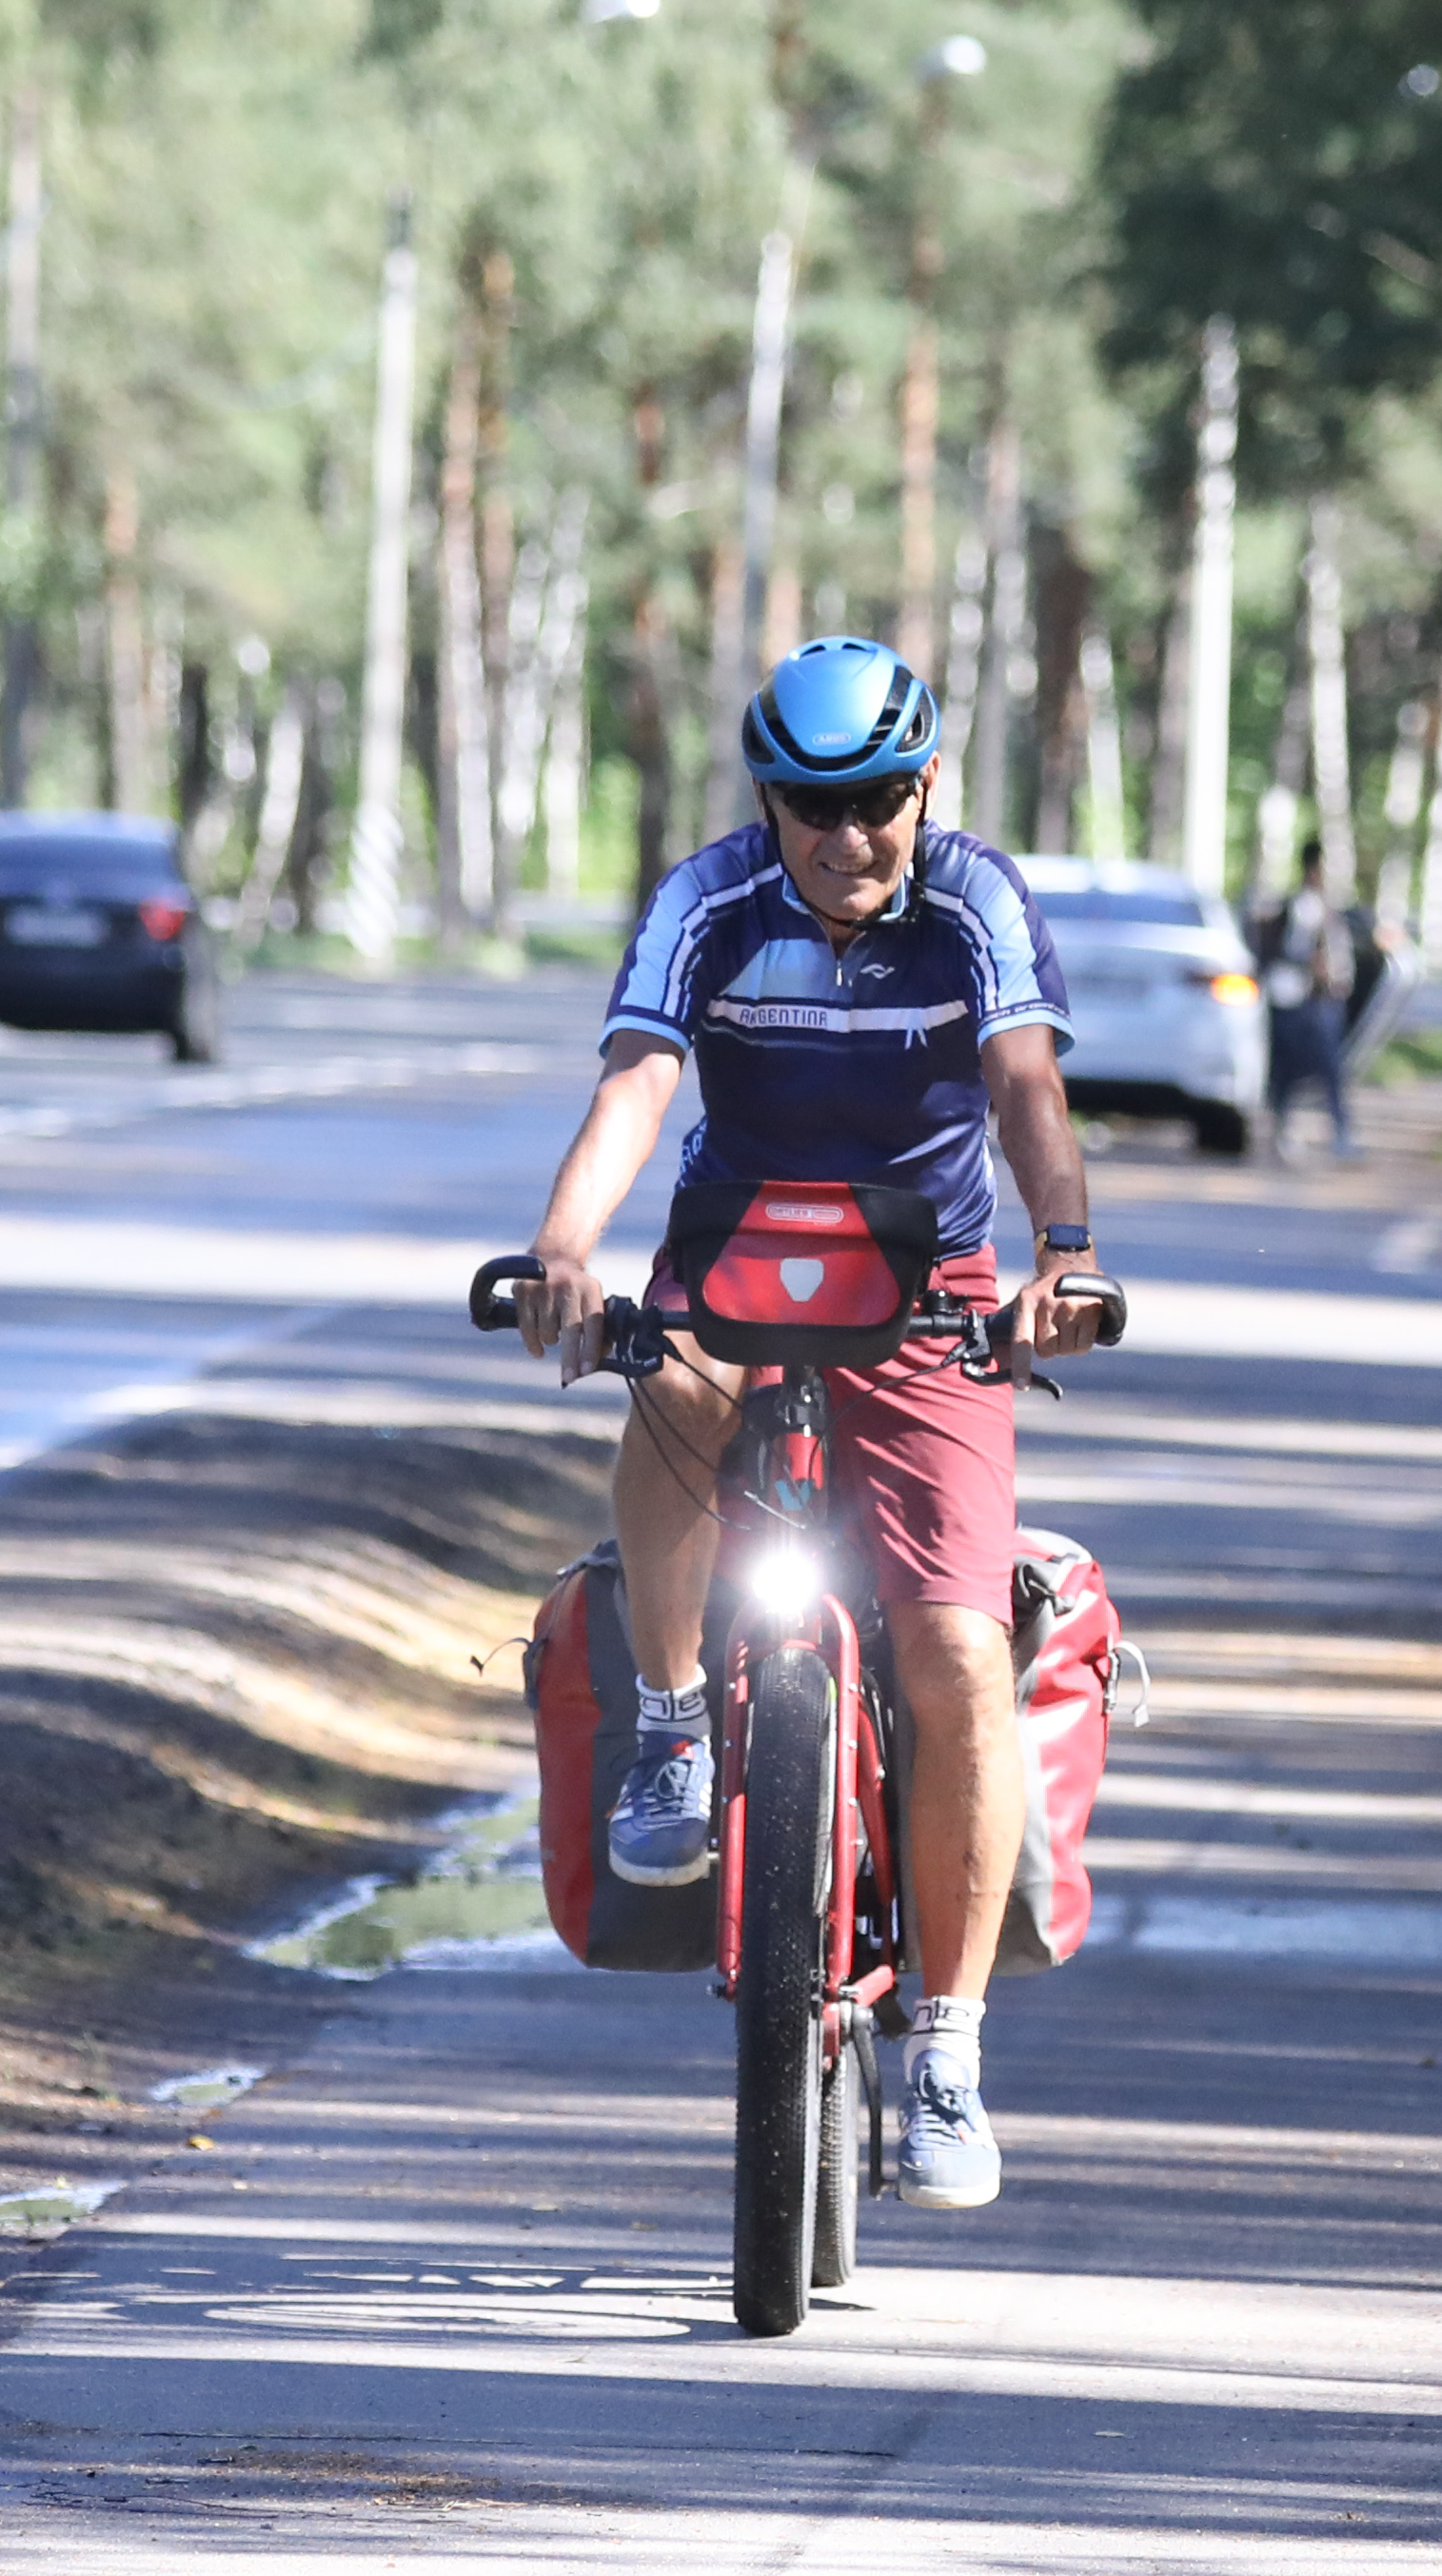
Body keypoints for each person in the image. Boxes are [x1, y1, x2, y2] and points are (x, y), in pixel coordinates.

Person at [508, 637, 1110, 2211]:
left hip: (934, 1291)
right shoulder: (706, 899)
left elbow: (1024, 1081)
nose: (847, 838)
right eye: (810, 807)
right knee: (666, 1377)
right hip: (736, 1249)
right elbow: (637, 1081)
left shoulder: (976, 900)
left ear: (925, 784)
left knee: (957, 1646)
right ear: (765, 799)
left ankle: (949, 2051)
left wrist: (1062, 1258)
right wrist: (566, 1258)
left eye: (877, 802)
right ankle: (665, 1723)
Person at [1259, 838, 1359, 1159]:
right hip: (1297, 997)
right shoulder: (1300, 907)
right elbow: (1289, 951)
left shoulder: (1330, 907)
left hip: (1322, 998)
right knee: (1290, 1068)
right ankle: (1283, 1130)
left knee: (1330, 1068)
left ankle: (1338, 1131)